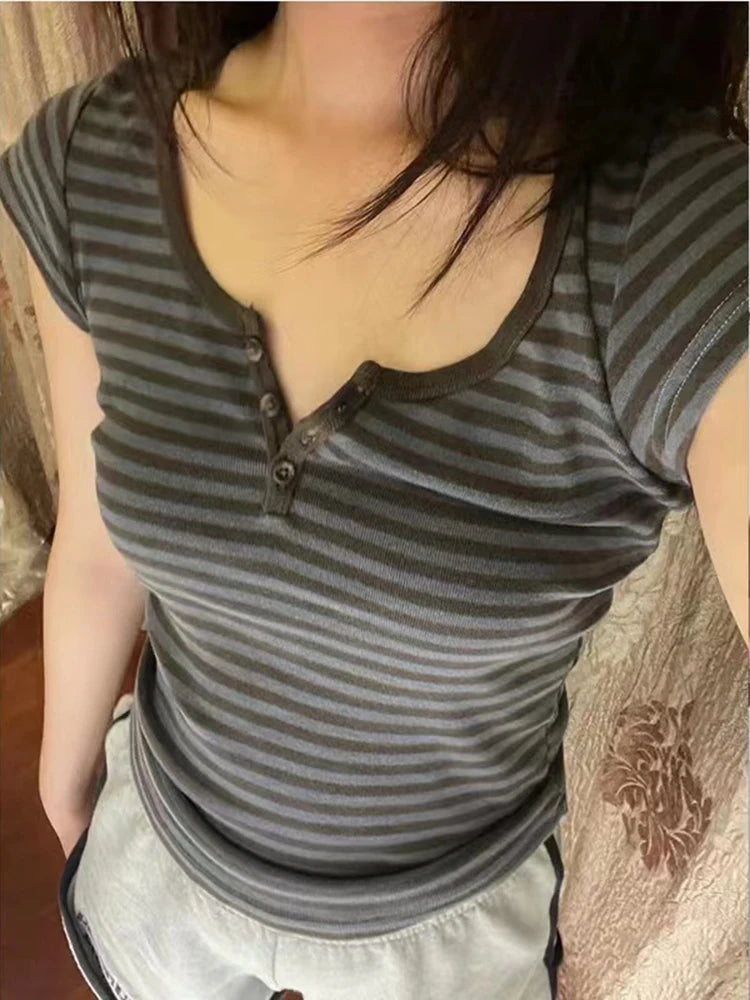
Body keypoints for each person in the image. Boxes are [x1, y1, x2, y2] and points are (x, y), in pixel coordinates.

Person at [0, 3, 747, 999]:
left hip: (446, 935)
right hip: (161, 856)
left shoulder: (680, 241)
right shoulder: (91, 161)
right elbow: (98, 550)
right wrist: (66, 780)